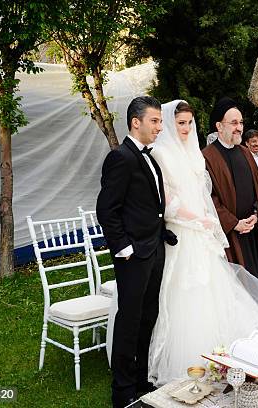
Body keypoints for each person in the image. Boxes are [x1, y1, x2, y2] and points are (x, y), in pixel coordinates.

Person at [147, 100, 258, 386]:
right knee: (189, 294)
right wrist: (211, 221)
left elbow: (204, 193)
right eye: (180, 122)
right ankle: (190, 356)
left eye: (190, 122)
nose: (186, 128)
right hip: (185, 234)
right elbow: (170, 201)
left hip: (208, 231)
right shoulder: (163, 154)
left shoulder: (197, 153)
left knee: (214, 293)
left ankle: (228, 350)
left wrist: (251, 214)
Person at [96, 96, 167, 408]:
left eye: (160, 121)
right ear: (135, 122)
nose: (159, 127)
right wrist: (124, 249)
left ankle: (140, 379)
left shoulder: (149, 157)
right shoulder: (121, 158)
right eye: (154, 121)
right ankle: (122, 391)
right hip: (133, 255)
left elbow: (150, 205)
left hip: (154, 249)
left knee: (148, 317)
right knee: (129, 321)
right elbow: (106, 210)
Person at [202, 97, 258, 286]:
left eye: (241, 122)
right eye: (233, 123)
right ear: (219, 125)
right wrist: (234, 223)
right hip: (230, 235)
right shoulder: (207, 157)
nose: (239, 128)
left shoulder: (245, 152)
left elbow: (257, 190)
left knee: (257, 280)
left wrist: (257, 214)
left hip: (252, 230)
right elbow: (208, 199)